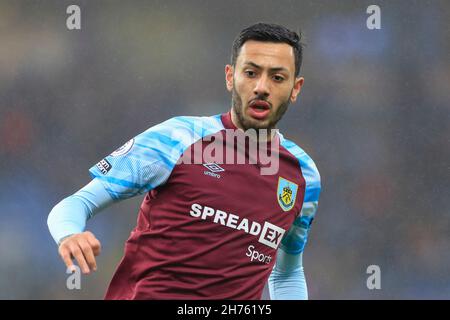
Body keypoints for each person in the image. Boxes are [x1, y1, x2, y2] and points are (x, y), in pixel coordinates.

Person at [48, 22, 321, 300]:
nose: (262, 87)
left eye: (277, 78)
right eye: (251, 73)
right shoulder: (178, 138)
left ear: (295, 88)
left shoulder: (304, 176)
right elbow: (77, 203)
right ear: (230, 77)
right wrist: (70, 234)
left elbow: (287, 273)